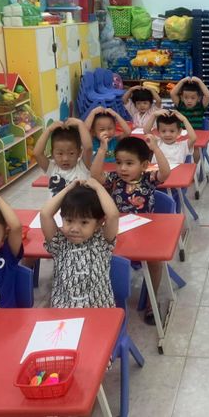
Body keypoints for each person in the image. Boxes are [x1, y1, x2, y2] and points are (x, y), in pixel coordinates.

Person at [91, 135, 170, 323]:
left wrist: (156, 149)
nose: (123, 168)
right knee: (99, 255)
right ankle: (104, 297)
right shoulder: (114, 179)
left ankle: (151, 301)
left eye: (129, 163)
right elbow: (95, 175)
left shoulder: (148, 179)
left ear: (143, 165)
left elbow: (165, 173)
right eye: (119, 162)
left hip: (146, 232)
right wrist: (102, 150)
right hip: (119, 233)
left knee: (155, 262)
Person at [41, 178, 119, 308]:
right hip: (64, 311)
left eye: (84, 222)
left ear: (98, 223)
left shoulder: (102, 242)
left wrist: (98, 187)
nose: (74, 229)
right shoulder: (59, 243)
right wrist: (68, 188)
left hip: (99, 310)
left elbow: (113, 215)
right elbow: (45, 214)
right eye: (69, 220)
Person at [33, 118, 92, 196]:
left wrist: (80, 124)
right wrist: (48, 130)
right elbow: (37, 153)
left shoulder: (82, 166)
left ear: (79, 152)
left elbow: (88, 148)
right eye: (60, 153)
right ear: (52, 154)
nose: (65, 159)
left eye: (71, 153)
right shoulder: (52, 168)